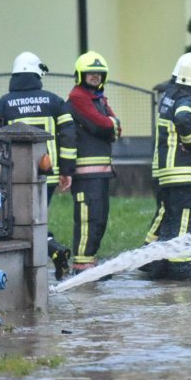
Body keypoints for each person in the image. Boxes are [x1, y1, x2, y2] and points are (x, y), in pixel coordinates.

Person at [0, 51, 76, 280]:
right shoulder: (54, 101)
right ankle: (52, 252)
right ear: (38, 73)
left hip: (12, 177)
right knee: (34, 219)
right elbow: (68, 136)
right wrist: (66, 171)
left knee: (19, 222)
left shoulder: (3, 105)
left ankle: (30, 272)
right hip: (47, 175)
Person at [145, 52, 191, 281]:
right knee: (183, 221)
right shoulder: (188, 100)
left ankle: (159, 265)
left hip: (168, 172)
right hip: (185, 172)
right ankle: (180, 268)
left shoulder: (170, 96)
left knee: (171, 221)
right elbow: (184, 119)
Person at [65, 51, 121, 274]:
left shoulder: (98, 98)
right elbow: (102, 125)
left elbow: (115, 127)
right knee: (88, 220)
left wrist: (111, 124)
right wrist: (111, 124)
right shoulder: (78, 98)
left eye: (99, 73)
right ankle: (82, 266)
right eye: (91, 73)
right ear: (81, 75)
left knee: (99, 219)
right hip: (85, 174)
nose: (95, 76)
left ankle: (90, 262)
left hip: (100, 173)